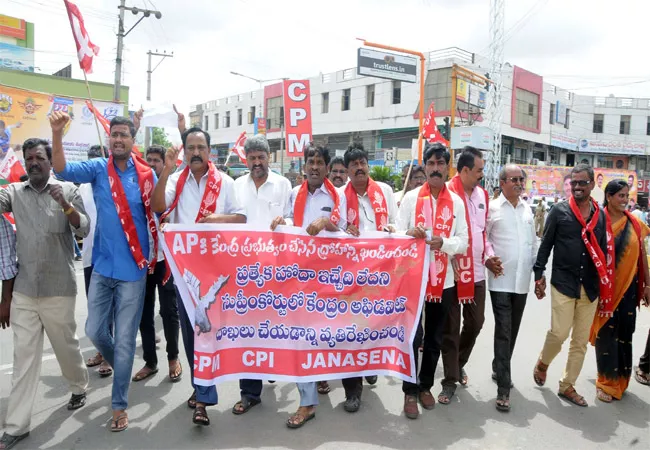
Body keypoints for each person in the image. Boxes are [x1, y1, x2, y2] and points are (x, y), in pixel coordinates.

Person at [52, 112, 157, 432]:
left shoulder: (146, 174)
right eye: (114, 135)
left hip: (133, 273)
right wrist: (57, 133)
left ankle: (119, 404)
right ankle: (122, 361)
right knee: (96, 331)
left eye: (124, 134)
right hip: (102, 266)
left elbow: (159, 211)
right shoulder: (99, 169)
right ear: (109, 139)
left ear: (132, 140)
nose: (118, 139)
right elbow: (61, 169)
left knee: (125, 341)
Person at [151, 127, 245, 427]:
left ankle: (206, 387)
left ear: (209, 151)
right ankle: (202, 394)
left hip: (219, 274)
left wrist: (217, 218)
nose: (195, 152)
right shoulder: (176, 181)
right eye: (190, 147)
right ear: (183, 150)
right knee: (194, 335)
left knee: (216, 333)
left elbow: (241, 218)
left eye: (200, 147)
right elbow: (157, 207)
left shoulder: (225, 183)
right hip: (186, 274)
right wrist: (165, 171)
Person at [0, 137, 90, 449]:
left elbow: (84, 228)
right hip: (25, 291)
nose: (34, 163)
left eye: (39, 157)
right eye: (29, 159)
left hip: (58, 289)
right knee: (24, 359)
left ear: (50, 161)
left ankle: (78, 385)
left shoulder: (67, 190)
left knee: (67, 348)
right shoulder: (14, 193)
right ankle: (17, 425)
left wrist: (65, 206)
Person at [270, 144, 347, 429]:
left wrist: (328, 223)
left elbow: (349, 229)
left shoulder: (339, 195)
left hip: (331, 278)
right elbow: (293, 223)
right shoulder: (294, 193)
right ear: (304, 166)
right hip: (300, 277)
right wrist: (283, 222)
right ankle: (307, 400)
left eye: (319, 162)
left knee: (328, 335)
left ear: (327, 167)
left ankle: (329, 378)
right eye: (310, 162)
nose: (314, 167)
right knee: (302, 338)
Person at [396, 142, 468, 420]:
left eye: (440, 164)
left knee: (435, 338)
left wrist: (444, 243)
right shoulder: (412, 199)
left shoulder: (457, 202)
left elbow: (463, 241)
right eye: (431, 164)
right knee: (413, 337)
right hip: (413, 279)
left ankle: (425, 385)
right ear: (424, 167)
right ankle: (409, 390)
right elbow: (397, 232)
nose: (436, 169)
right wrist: (408, 233)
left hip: (445, 280)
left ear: (447, 168)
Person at [533, 164, 608, 407]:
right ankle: (544, 361)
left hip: (591, 287)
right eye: (573, 182)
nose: (576, 187)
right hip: (563, 282)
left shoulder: (600, 214)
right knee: (559, 333)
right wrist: (538, 273)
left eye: (582, 183)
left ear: (592, 185)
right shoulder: (559, 211)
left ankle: (567, 385)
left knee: (579, 340)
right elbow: (546, 244)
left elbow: (604, 250)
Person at [334, 142, 398, 412]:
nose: (359, 168)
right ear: (347, 171)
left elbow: (398, 226)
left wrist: (391, 230)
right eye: (353, 165)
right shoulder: (338, 196)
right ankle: (352, 391)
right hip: (350, 278)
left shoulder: (385, 191)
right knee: (351, 332)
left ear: (368, 166)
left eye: (362, 163)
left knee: (374, 329)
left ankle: (371, 365)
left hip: (381, 276)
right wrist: (342, 233)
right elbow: (332, 234)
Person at [232, 135, 292, 415]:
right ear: (246, 159)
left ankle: (271, 365)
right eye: (252, 158)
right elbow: (230, 223)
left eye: (261, 157)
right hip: (244, 273)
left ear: (270, 157)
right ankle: (249, 392)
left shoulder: (283, 185)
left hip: (276, 271)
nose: (257, 163)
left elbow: (294, 221)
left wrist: (285, 222)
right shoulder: (235, 187)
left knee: (274, 327)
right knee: (247, 331)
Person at [440, 146, 493, 404]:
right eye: (479, 170)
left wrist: (490, 254)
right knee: (450, 328)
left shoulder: (483, 195)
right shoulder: (448, 193)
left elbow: (484, 233)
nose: (482, 175)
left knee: (476, 322)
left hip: (478, 272)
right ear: (464, 170)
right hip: (451, 272)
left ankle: (458, 362)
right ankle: (449, 380)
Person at [589, 180, 650, 402]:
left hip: (629, 289)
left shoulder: (634, 223)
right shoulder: (597, 221)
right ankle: (605, 383)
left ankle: (621, 380)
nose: (625, 200)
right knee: (607, 333)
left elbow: (641, 254)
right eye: (620, 196)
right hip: (604, 290)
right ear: (609, 196)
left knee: (625, 333)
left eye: (627, 196)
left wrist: (647, 284)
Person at [485, 164, 537, 411]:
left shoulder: (527, 210)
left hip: (522, 281)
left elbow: (533, 244)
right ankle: (503, 388)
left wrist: (539, 275)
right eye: (514, 179)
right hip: (501, 280)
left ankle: (498, 365)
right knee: (504, 330)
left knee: (512, 330)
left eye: (521, 179)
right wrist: (490, 256)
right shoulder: (492, 209)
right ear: (502, 182)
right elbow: (483, 239)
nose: (518, 183)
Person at [132, 145, 182, 384]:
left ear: (165, 164)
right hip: (142, 259)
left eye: (156, 161)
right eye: (148, 160)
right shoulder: (136, 186)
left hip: (166, 260)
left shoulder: (171, 187)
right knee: (144, 313)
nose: (151, 165)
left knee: (169, 311)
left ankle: (173, 358)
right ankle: (150, 362)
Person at [79, 145, 113, 378]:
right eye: (90, 161)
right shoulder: (80, 188)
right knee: (95, 309)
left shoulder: (113, 183)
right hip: (89, 257)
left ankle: (110, 357)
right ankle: (101, 352)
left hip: (111, 257)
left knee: (110, 308)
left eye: (98, 161)